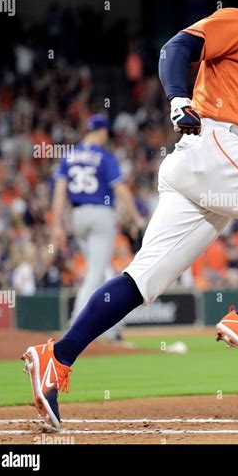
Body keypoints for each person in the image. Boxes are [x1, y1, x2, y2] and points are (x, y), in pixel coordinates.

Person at [22, 0, 238, 429]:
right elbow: (177, 47)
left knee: (143, 281)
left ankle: (56, 355)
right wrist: (176, 98)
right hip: (213, 151)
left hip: (205, 162)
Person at [51, 114, 145, 340]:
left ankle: (112, 330)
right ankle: (75, 325)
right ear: (102, 131)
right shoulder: (104, 156)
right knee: (95, 272)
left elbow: (60, 191)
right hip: (101, 215)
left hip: (77, 216)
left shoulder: (70, 156)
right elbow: (120, 190)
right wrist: (137, 218)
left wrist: (56, 224)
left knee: (102, 270)